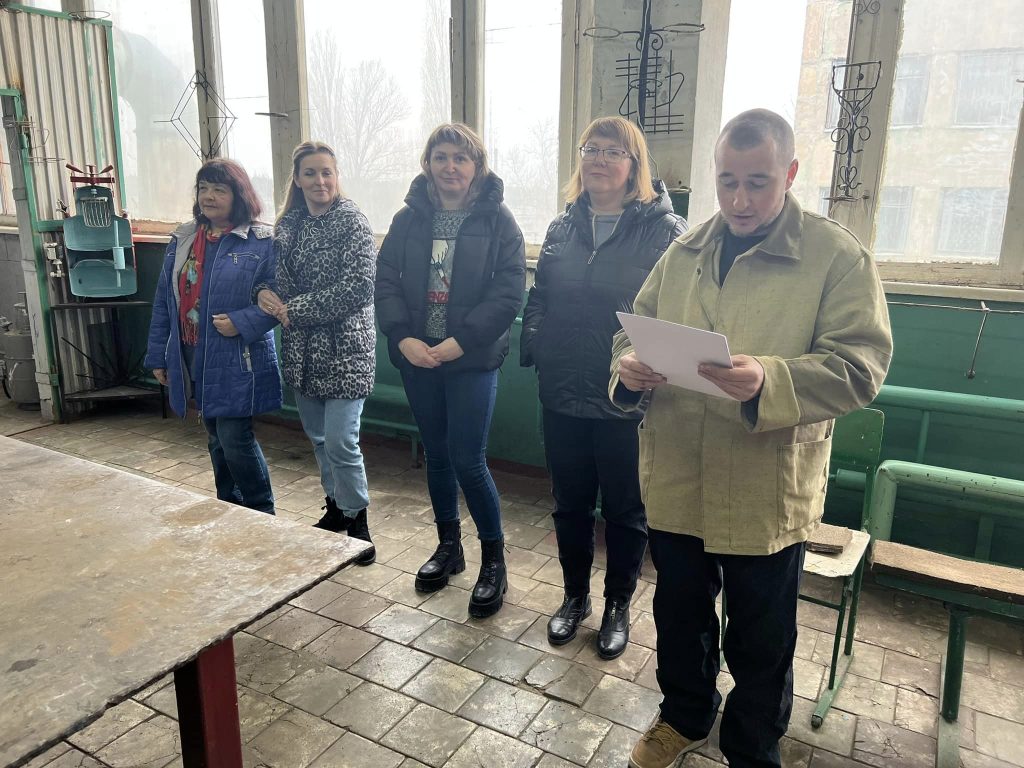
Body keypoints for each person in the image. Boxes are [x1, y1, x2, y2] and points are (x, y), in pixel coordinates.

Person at [612, 109, 892, 768]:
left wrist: (770, 378)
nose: (739, 200)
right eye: (728, 182)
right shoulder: (684, 252)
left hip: (764, 484)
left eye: (758, 183)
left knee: (762, 637)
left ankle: (752, 746)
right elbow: (631, 329)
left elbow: (861, 367)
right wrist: (627, 366)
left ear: (790, 174)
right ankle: (683, 716)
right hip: (678, 472)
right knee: (680, 616)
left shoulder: (835, 256)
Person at [521, 116, 686, 660]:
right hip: (562, 389)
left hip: (625, 394)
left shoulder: (666, 231)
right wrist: (538, 347)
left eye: (614, 152)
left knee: (625, 510)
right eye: (591, 149)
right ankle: (575, 597)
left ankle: (618, 605)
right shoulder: (562, 227)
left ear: (634, 165)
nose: (599, 159)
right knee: (569, 505)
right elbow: (540, 296)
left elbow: (677, 312)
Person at [375, 123, 526, 618]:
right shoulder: (407, 219)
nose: (451, 167)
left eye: (461, 158)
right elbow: (386, 280)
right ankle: (449, 546)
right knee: (437, 457)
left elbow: (508, 293)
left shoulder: (499, 221)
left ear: (477, 167)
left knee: (468, 459)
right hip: (418, 357)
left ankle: (493, 562)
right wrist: (403, 338)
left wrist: (459, 344)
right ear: (428, 164)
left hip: (471, 360)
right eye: (441, 157)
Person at [257, 141, 377, 565]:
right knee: (320, 439)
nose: (319, 180)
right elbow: (268, 278)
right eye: (310, 173)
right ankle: (336, 507)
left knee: (342, 441)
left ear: (337, 175)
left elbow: (359, 286)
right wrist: (263, 293)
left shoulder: (352, 221)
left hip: (346, 351)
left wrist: (296, 310)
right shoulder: (287, 226)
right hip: (302, 352)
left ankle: (357, 517)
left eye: (326, 172)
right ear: (297, 179)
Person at [146, 158, 282, 515]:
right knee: (215, 436)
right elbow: (164, 300)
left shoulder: (262, 241)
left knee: (235, 437)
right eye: (203, 188)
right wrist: (159, 355)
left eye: (219, 189)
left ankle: (261, 512)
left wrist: (242, 322)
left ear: (239, 195)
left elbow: (280, 299)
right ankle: (229, 507)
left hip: (238, 355)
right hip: (191, 351)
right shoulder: (184, 238)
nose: (209, 196)